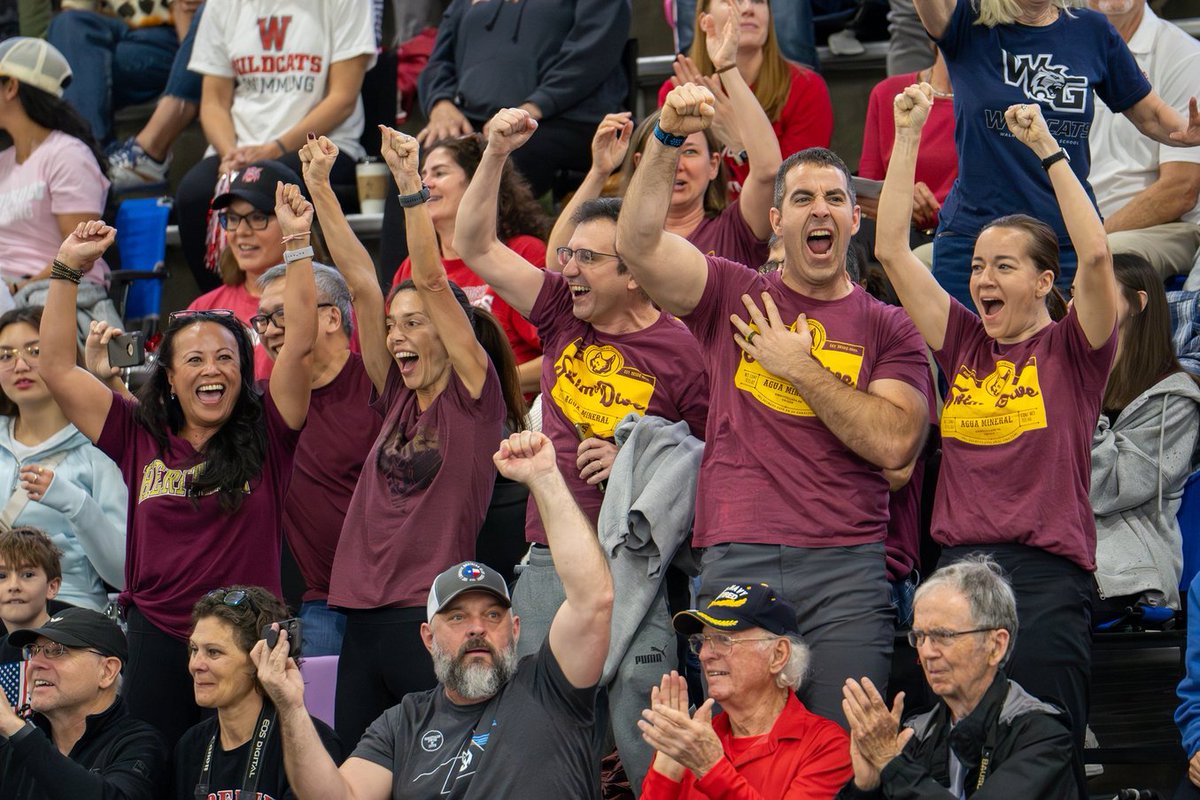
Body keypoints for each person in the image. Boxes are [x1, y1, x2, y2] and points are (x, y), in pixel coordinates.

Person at [615, 83, 932, 729]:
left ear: (853, 219)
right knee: (740, 751)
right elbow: (640, 246)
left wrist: (798, 368)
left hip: (847, 567)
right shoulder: (731, 292)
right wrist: (668, 138)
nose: (821, 210)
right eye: (803, 198)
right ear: (778, 220)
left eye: (835, 198)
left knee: (847, 755)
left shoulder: (889, 327)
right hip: (740, 553)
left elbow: (896, 444)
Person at [456, 107, 711, 784]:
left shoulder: (684, 350)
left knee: (642, 717)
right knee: (540, 729)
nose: (566, 268)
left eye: (586, 259)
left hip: (636, 564)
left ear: (634, 273)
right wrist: (493, 156)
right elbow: (476, 244)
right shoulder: (562, 312)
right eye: (565, 256)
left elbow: (712, 457)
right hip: (550, 563)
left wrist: (643, 454)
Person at [874, 84, 1117, 788]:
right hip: (958, 579)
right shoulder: (964, 343)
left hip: (1043, 584)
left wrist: (1048, 148)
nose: (983, 278)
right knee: (959, 768)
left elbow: (1096, 259)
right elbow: (891, 249)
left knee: (1045, 762)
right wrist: (909, 133)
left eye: (1003, 266)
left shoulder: (1076, 348)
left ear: (1045, 281)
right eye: (977, 266)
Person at [37, 188, 318, 746]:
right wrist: (67, 268)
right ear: (167, 376)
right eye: (194, 359)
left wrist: (297, 243)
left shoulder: (270, 430)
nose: (211, 369)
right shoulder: (138, 432)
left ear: (244, 371)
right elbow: (54, 367)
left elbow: (302, 347)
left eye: (225, 358)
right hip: (159, 639)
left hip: (247, 642)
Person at [300, 129, 523, 749]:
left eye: (414, 325)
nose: (397, 337)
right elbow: (360, 284)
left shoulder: (474, 396)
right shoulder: (394, 392)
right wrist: (320, 186)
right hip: (357, 615)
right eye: (391, 328)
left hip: (425, 619)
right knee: (353, 773)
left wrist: (409, 187)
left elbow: (428, 279)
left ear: (449, 332)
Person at [256, 429, 614, 799]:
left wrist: (545, 479)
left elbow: (594, 599)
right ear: (428, 637)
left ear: (516, 628)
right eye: (457, 617)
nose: (477, 628)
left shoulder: (552, 687)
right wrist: (292, 708)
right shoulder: (403, 724)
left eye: (493, 615)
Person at [912, 0, 1200, 306]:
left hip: (1066, 243)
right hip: (975, 241)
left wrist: (1187, 132)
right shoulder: (967, 23)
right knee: (967, 355)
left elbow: (1150, 115)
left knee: (1067, 352)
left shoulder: (1091, 29)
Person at [174, 0, 374, 290]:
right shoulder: (222, 5)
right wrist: (230, 152)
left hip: (317, 145)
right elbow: (213, 101)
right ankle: (224, 308)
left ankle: (298, 296)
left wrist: (275, 148)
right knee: (194, 194)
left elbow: (342, 99)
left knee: (270, 186)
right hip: (240, 148)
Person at [837, 557, 1077, 798]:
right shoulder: (916, 734)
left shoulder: (1043, 736)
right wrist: (866, 788)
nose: (928, 652)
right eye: (920, 636)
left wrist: (891, 764)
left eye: (944, 635)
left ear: (996, 645)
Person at [251, 263, 380, 656]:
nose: (270, 329)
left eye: (282, 314)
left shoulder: (383, 384)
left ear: (330, 317)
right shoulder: (259, 403)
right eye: (262, 319)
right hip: (322, 603)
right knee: (318, 719)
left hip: (396, 597)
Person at [640, 582, 852, 799]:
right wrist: (665, 771)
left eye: (723, 639)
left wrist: (710, 768)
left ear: (778, 655)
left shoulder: (825, 747)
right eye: (701, 641)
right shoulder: (692, 741)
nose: (704, 655)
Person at [385, 133, 548, 395]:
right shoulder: (410, 266)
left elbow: (563, 353)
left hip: (513, 414)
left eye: (439, 173)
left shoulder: (522, 252)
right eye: (423, 174)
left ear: (476, 182)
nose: (426, 183)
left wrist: (483, 383)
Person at [417, 0, 631, 199]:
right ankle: (417, 241)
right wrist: (440, 102)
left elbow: (592, 54)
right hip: (475, 119)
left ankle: (495, 240)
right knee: (417, 158)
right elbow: (439, 60)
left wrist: (534, 106)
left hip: (563, 117)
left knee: (510, 153)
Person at [1091, 253, 1200, 616]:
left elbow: (1105, 490)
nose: (1079, 303)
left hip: (1125, 568)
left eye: (1096, 289)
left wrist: (1082, 397)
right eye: (1076, 292)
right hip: (1053, 546)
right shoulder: (1064, 375)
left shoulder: (1176, 400)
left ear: (1138, 303)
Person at [0, 306, 126, 612]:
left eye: (35, 351)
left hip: (69, 611)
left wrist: (78, 505)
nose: (20, 364)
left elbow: (124, 574)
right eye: (5, 355)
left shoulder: (100, 448)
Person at [174, 585, 343, 799]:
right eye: (194, 649)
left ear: (259, 658)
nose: (196, 665)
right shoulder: (191, 746)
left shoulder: (314, 746)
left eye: (213, 652)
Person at [658, 0, 832, 197]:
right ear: (704, 20)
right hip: (704, 223)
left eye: (759, 1)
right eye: (734, 1)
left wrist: (740, 143)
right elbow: (670, 191)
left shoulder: (807, 88)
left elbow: (797, 194)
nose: (748, 9)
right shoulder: (677, 93)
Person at [0, 608, 170, 799]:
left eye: (57, 650)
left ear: (107, 671)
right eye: (33, 651)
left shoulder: (140, 744)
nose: (35, 663)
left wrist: (16, 728)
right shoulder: (13, 746)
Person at [186, 159, 328, 382]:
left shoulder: (325, 301)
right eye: (232, 219)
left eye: (257, 218)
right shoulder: (204, 308)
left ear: (295, 220)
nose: (241, 231)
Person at [1088, 0, 1200, 282]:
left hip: (1161, 228)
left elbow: (1180, 191)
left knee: (1103, 259)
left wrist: (1089, 237)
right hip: (1077, 225)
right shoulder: (1063, 47)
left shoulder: (1185, 55)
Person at [0, 37, 109, 291]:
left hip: (58, 295)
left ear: (10, 87)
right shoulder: (3, 161)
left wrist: (18, 289)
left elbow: (81, 257)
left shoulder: (68, 155)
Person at [44, 0, 193, 150]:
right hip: (109, 30)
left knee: (84, 67)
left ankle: (87, 154)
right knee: (66, 23)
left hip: (167, 33)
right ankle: (92, 154)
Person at [858, 47, 955, 235]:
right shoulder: (888, 92)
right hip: (893, 230)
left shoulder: (999, 102)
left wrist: (933, 213)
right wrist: (899, 199)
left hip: (963, 237)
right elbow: (867, 196)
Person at [0, 526, 61, 662]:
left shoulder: (74, 648)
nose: (13, 586)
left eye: (27, 575)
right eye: (1, 576)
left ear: (52, 587)